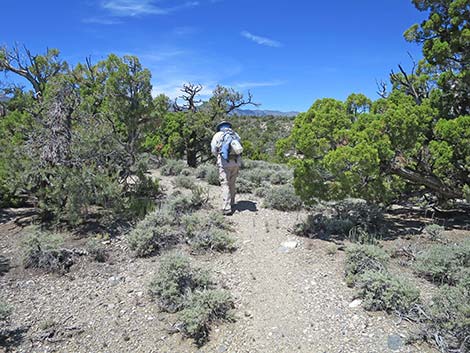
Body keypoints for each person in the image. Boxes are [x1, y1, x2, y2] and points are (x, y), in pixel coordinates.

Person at [210, 121, 242, 215]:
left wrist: (219, 156)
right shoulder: (235, 134)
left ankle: (226, 207)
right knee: (232, 183)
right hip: (236, 162)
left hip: (224, 163)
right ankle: (232, 203)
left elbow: (213, 149)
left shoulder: (218, 135)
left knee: (225, 184)